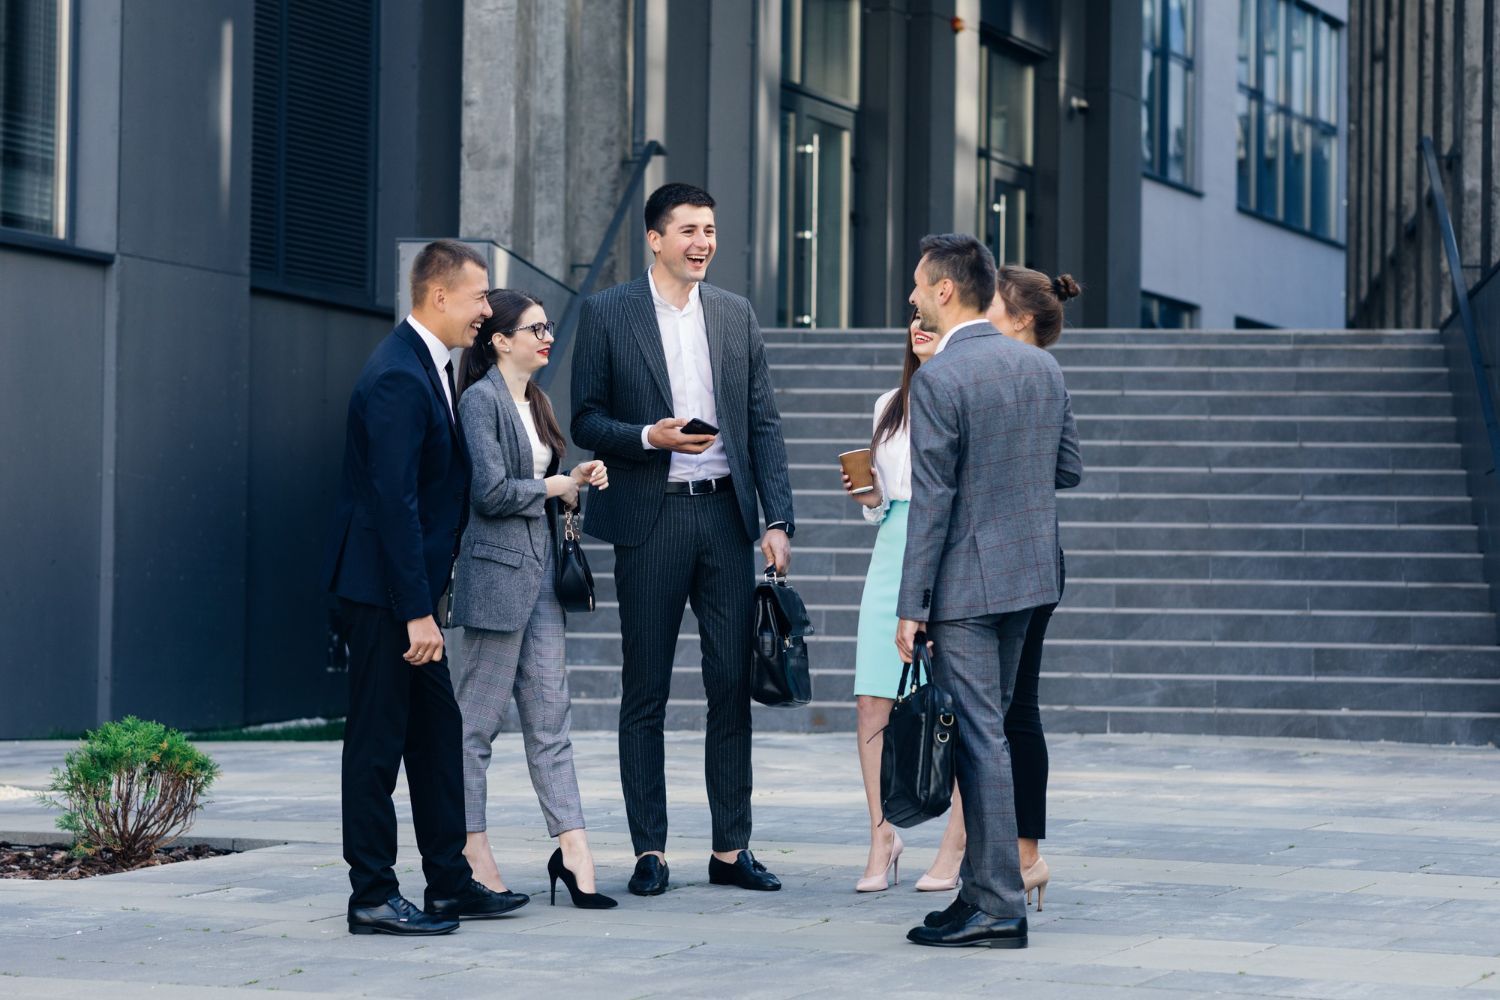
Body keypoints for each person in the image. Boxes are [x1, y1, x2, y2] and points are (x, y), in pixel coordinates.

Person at [571, 182, 795, 897]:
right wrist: (647, 437)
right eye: (688, 230)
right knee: (647, 691)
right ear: (655, 239)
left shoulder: (734, 314)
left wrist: (777, 519)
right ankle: (650, 851)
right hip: (651, 515)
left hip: (726, 517)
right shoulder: (609, 313)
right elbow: (585, 418)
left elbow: (763, 422)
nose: (703, 242)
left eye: (710, 228)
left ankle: (731, 849)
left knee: (730, 686)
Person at [322, 239, 528, 936]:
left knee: (438, 736)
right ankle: (373, 895)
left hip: (408, 596)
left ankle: (448, 884)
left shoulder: (430, 366)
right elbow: (392, 505)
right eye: (478, 297)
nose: (487, 310)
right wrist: (417, 612)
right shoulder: (397, 377)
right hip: (385, 597)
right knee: (377, 748)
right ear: (439, 296)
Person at [895, 234, 1081, 949]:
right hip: (1033, 576)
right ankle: (981, 892)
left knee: (980, 740)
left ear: (946, 290)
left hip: (968, 586)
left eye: (918, 285)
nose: (912, 296)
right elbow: (1068, 469)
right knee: (990, 734)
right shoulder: (1043, 368)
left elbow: (933, 504)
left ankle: (998, 906)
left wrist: (910, 606)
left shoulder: (941, 379)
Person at [450, 289, 616, 910]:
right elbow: (490, 492)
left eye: (548, 327)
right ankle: (471, 848)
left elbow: (544, 493)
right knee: (477, 725)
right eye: (535, 328)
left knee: (552, 717)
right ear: (500, 339)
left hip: (543, 574)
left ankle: (573, 850)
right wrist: (553, 483)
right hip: (495, 578)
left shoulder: (539, 402)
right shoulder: (480, 401)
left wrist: (576, 488)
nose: (547, 336)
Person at [842, 309, 966, 893]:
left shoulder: (967, 393)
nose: (920, 326)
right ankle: (881, 833)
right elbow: (882, 507)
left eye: (933, 321)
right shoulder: (889, 403)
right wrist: (868, 496)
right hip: (892, 548)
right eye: (914, 319)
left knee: (955, 700)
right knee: (872, 699)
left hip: (949, 547)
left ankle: (958, 839)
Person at [982, 265, 1083, 910]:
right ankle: (1025, 858)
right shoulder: (1053, 378)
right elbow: (1068, 469)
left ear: (1019, 318)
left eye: (992, 301)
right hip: (1043, 561)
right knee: (1021, 712)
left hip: (995, 563)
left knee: (996, 713)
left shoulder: (993, 373)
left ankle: (1004, 862)